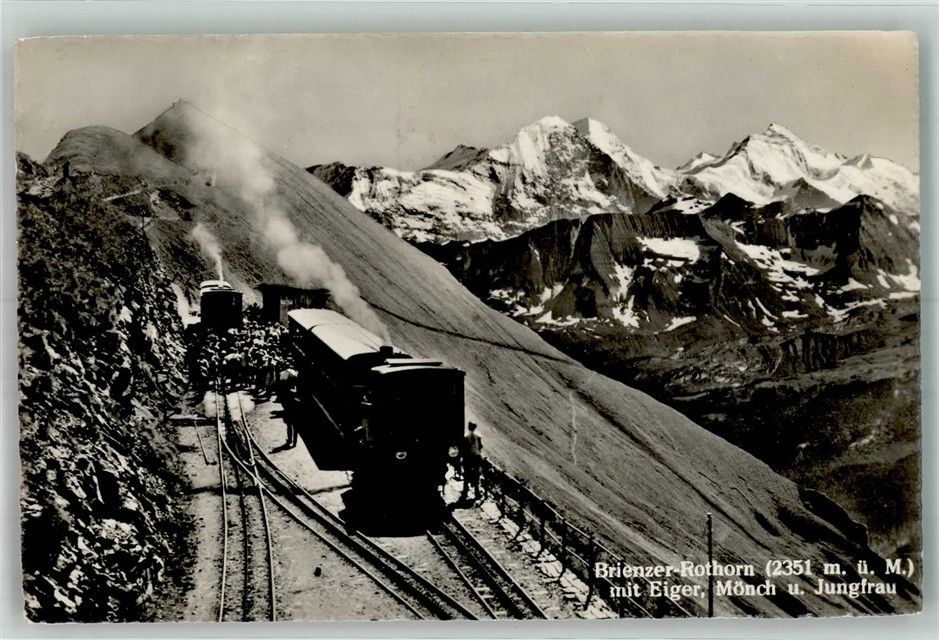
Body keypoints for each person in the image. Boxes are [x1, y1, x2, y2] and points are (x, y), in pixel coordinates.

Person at [460, 422, 483, 502]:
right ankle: (477, 493)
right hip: (476, 457)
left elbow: (464, 448)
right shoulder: (478, 435)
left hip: (468, 458)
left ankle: (465, 493)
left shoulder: (465, 436)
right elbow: (481, 446)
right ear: (475, 427)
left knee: (466, 475)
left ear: (468, 426)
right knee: (476, 475)